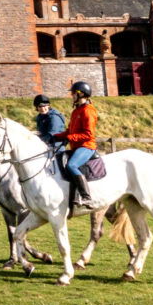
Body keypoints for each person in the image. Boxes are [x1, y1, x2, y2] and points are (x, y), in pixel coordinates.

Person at [57, 80, 98, 209]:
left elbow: (88, 134)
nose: (72, 96)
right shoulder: (76, 111)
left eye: (73, 93)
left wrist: (70, 137)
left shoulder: (88, 111)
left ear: (81, 94)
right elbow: (70, 131)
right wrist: (56, 136)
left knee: (72, 165)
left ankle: (86, 197)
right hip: (76, 147)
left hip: (87, 146)